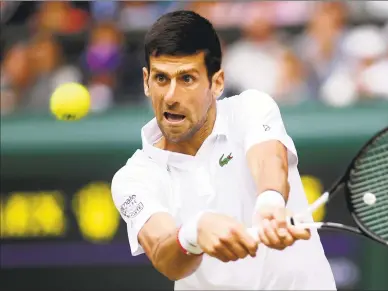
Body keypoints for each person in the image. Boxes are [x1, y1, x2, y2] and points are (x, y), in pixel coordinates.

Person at [111, 10, 336, 290]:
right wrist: (193, 234)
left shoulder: (251, 108)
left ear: (216, 83)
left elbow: (269, 158)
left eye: (187, 79)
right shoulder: (133, 178)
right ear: (146, 81)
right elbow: (162, 253)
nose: (171, 96)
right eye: (161, 79)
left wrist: (270, 202)